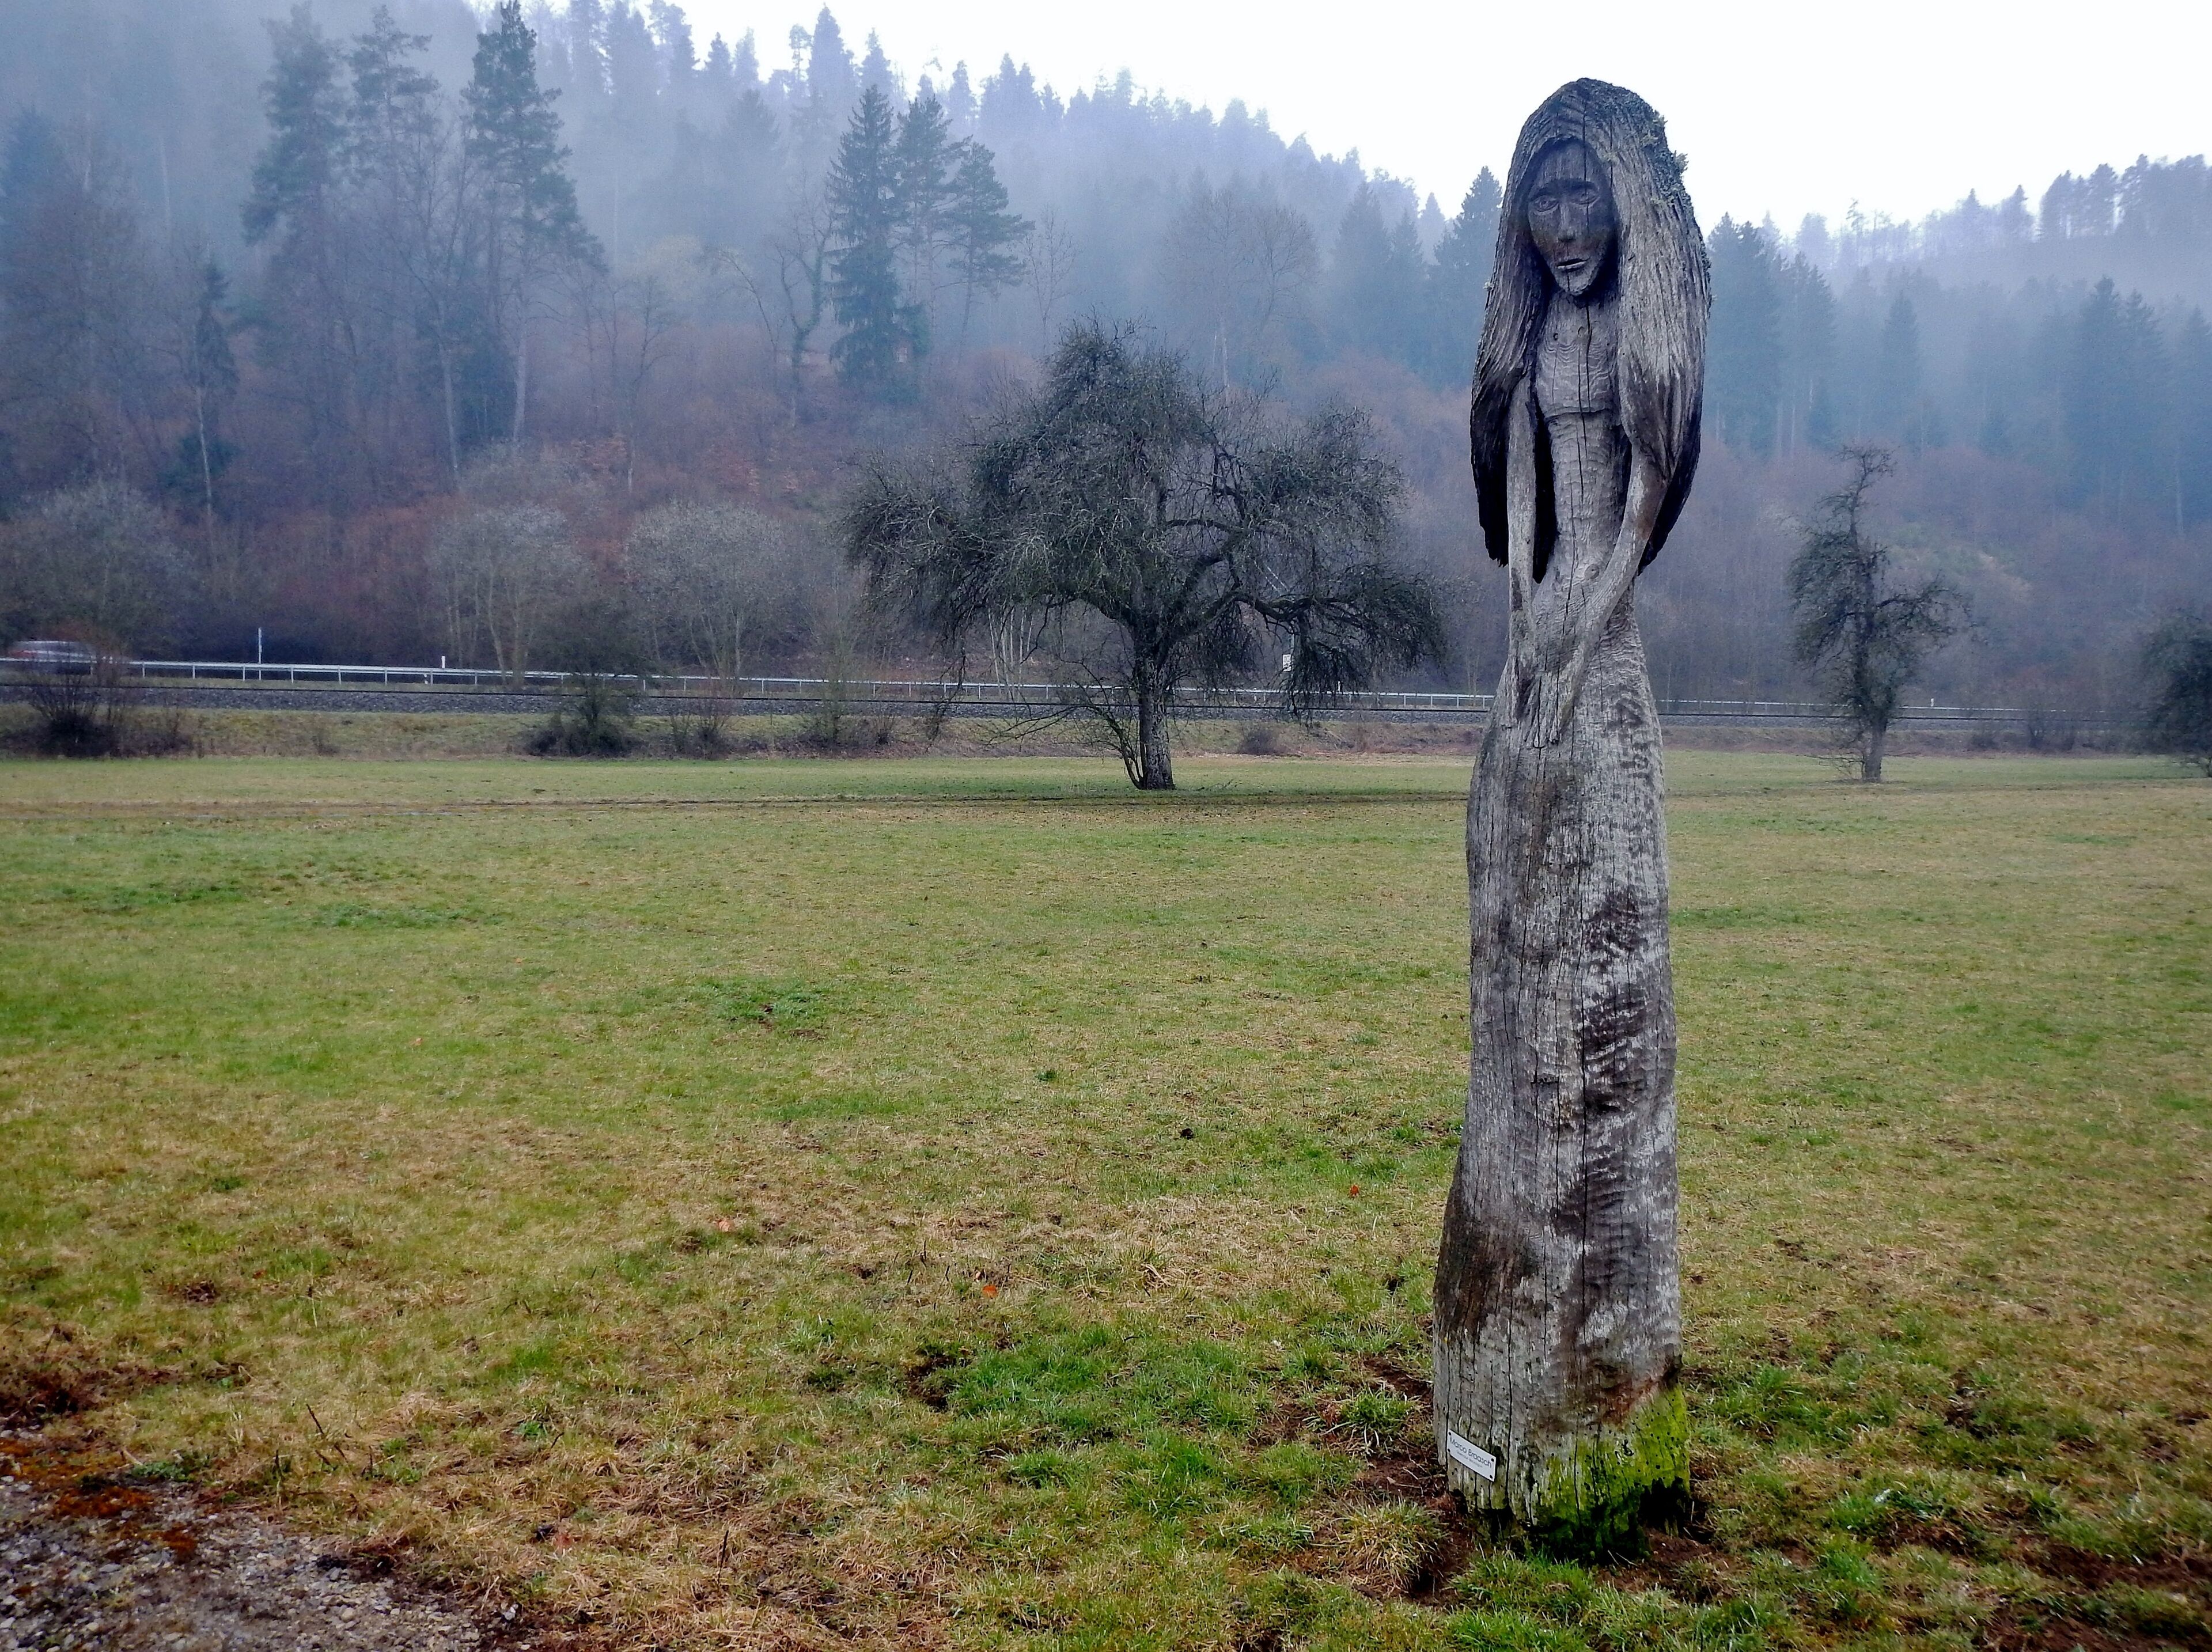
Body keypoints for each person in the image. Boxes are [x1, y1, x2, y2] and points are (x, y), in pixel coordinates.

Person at [1433, 79, 1709, 1537]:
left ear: (1621, 206)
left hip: (1612, 643)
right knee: (1512, 895)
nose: (1561, 231)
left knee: (1597, 919)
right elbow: (1527, 490)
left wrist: (1590, 619)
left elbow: (1642, 498)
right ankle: (1493, 1335)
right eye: (1538, 207)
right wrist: (1531, 614)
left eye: (1580, 201)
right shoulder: (1535, 330)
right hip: (1544, 629)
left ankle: (1596, 1354)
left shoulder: (1649, 333)